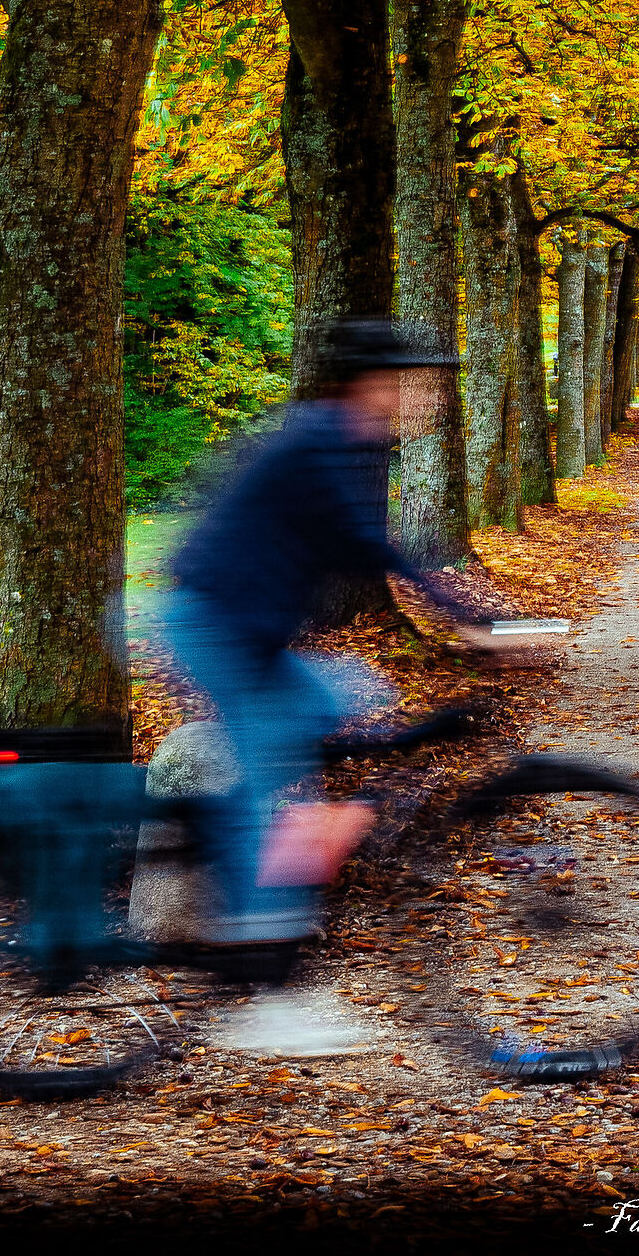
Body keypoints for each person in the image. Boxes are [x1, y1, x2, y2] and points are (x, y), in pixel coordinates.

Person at [161, 320, 492, 982]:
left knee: (357, 693)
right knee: (269, 788)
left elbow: (351, 543)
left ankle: (254, 847)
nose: (429, 399)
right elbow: (365, 543)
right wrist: (472, 618)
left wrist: (472, 613)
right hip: (219, 630)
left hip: (249, 633)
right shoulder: (321, 440)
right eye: (418, 384)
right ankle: (263, 967)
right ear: (377, 384)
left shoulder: (344, 440)